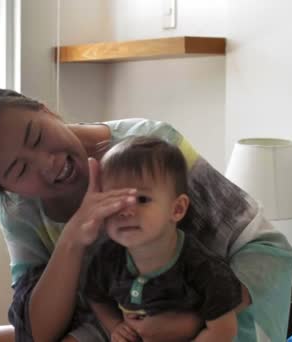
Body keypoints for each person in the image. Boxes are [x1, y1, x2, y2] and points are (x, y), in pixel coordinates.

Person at [0, 87, 292, 342]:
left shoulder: (149, 147)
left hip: (231, 286)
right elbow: (39, 330)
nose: (48, 164)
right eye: (19, 171)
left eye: (37, 136)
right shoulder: (19, 208)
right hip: (121, 315)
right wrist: (76, 234)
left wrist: (192, 324)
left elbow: (243, 250)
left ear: (45, 110)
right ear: (7, 188)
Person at [84, 136, 242, 342]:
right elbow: (96, 297)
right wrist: (114, 325)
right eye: (114, 200)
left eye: (141, 199)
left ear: (177, 209)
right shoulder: (107, 257)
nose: (124, 211)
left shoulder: (202, 268)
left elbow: (223, 330)